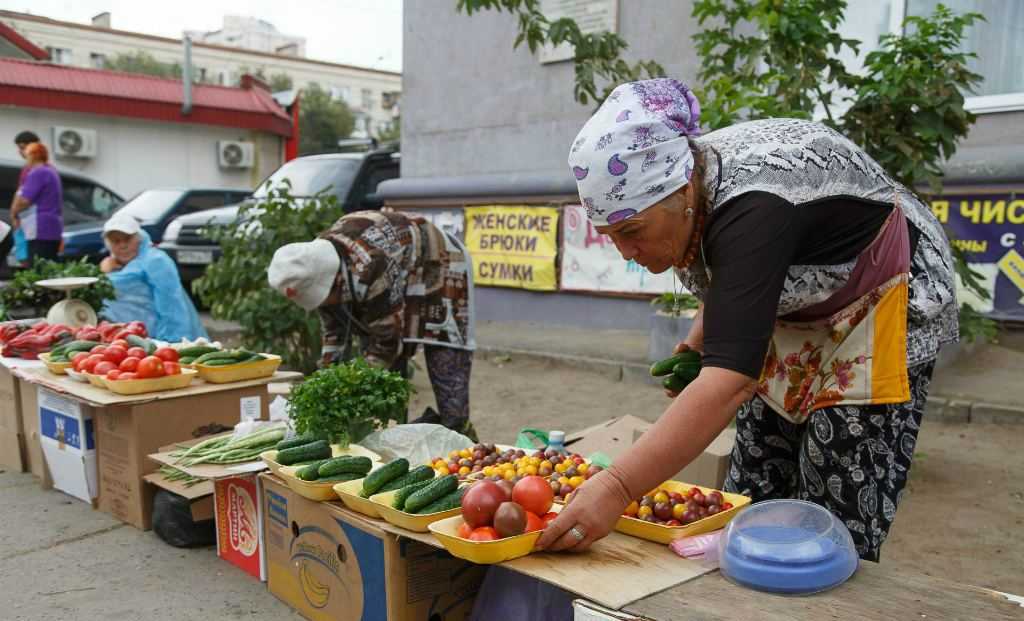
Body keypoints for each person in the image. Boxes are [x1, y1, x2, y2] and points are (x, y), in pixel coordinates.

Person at [537, 78, 957, 562]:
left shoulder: (753, 209)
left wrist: (615, 488)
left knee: (833, 496)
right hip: (805, 299)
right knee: (755, 483)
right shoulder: (692, 175)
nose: (628, 254)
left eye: (632, 232)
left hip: (882, 295)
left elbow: (732, 379)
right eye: (611, 236)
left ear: (682, 194)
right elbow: (733, 276)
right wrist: (701, 339)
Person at [268, 210, 478, 439]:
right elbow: (334, 334)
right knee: (384, 380)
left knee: (445, 365)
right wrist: (327, 379)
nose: (324, 301)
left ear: (333, 279)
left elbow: (386, 342)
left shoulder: (371, 263)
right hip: (395, 269)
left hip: (438, 263)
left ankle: (461, 435)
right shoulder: (315, 266)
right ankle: (397, 438)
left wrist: (352, 387)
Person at [99, 214, 208, 342]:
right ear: (108, 244)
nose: (123, 245)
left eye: (127, 239)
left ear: (138, 238)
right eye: (116, 241)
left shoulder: (156, 261)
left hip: (161, 341)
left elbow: (171, 305)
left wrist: (170, 342)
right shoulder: (112, 264)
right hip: (131, 342)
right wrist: (104, 272)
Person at [10, 141, 63, 262]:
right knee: (48, 267)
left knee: (38, 268)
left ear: (34, 155)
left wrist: (14, 212)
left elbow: (24, 200)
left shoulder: (38, 172)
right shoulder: (50, 171)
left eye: (26, 153)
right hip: (51, 228)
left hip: (40, 229)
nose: (25, 157)